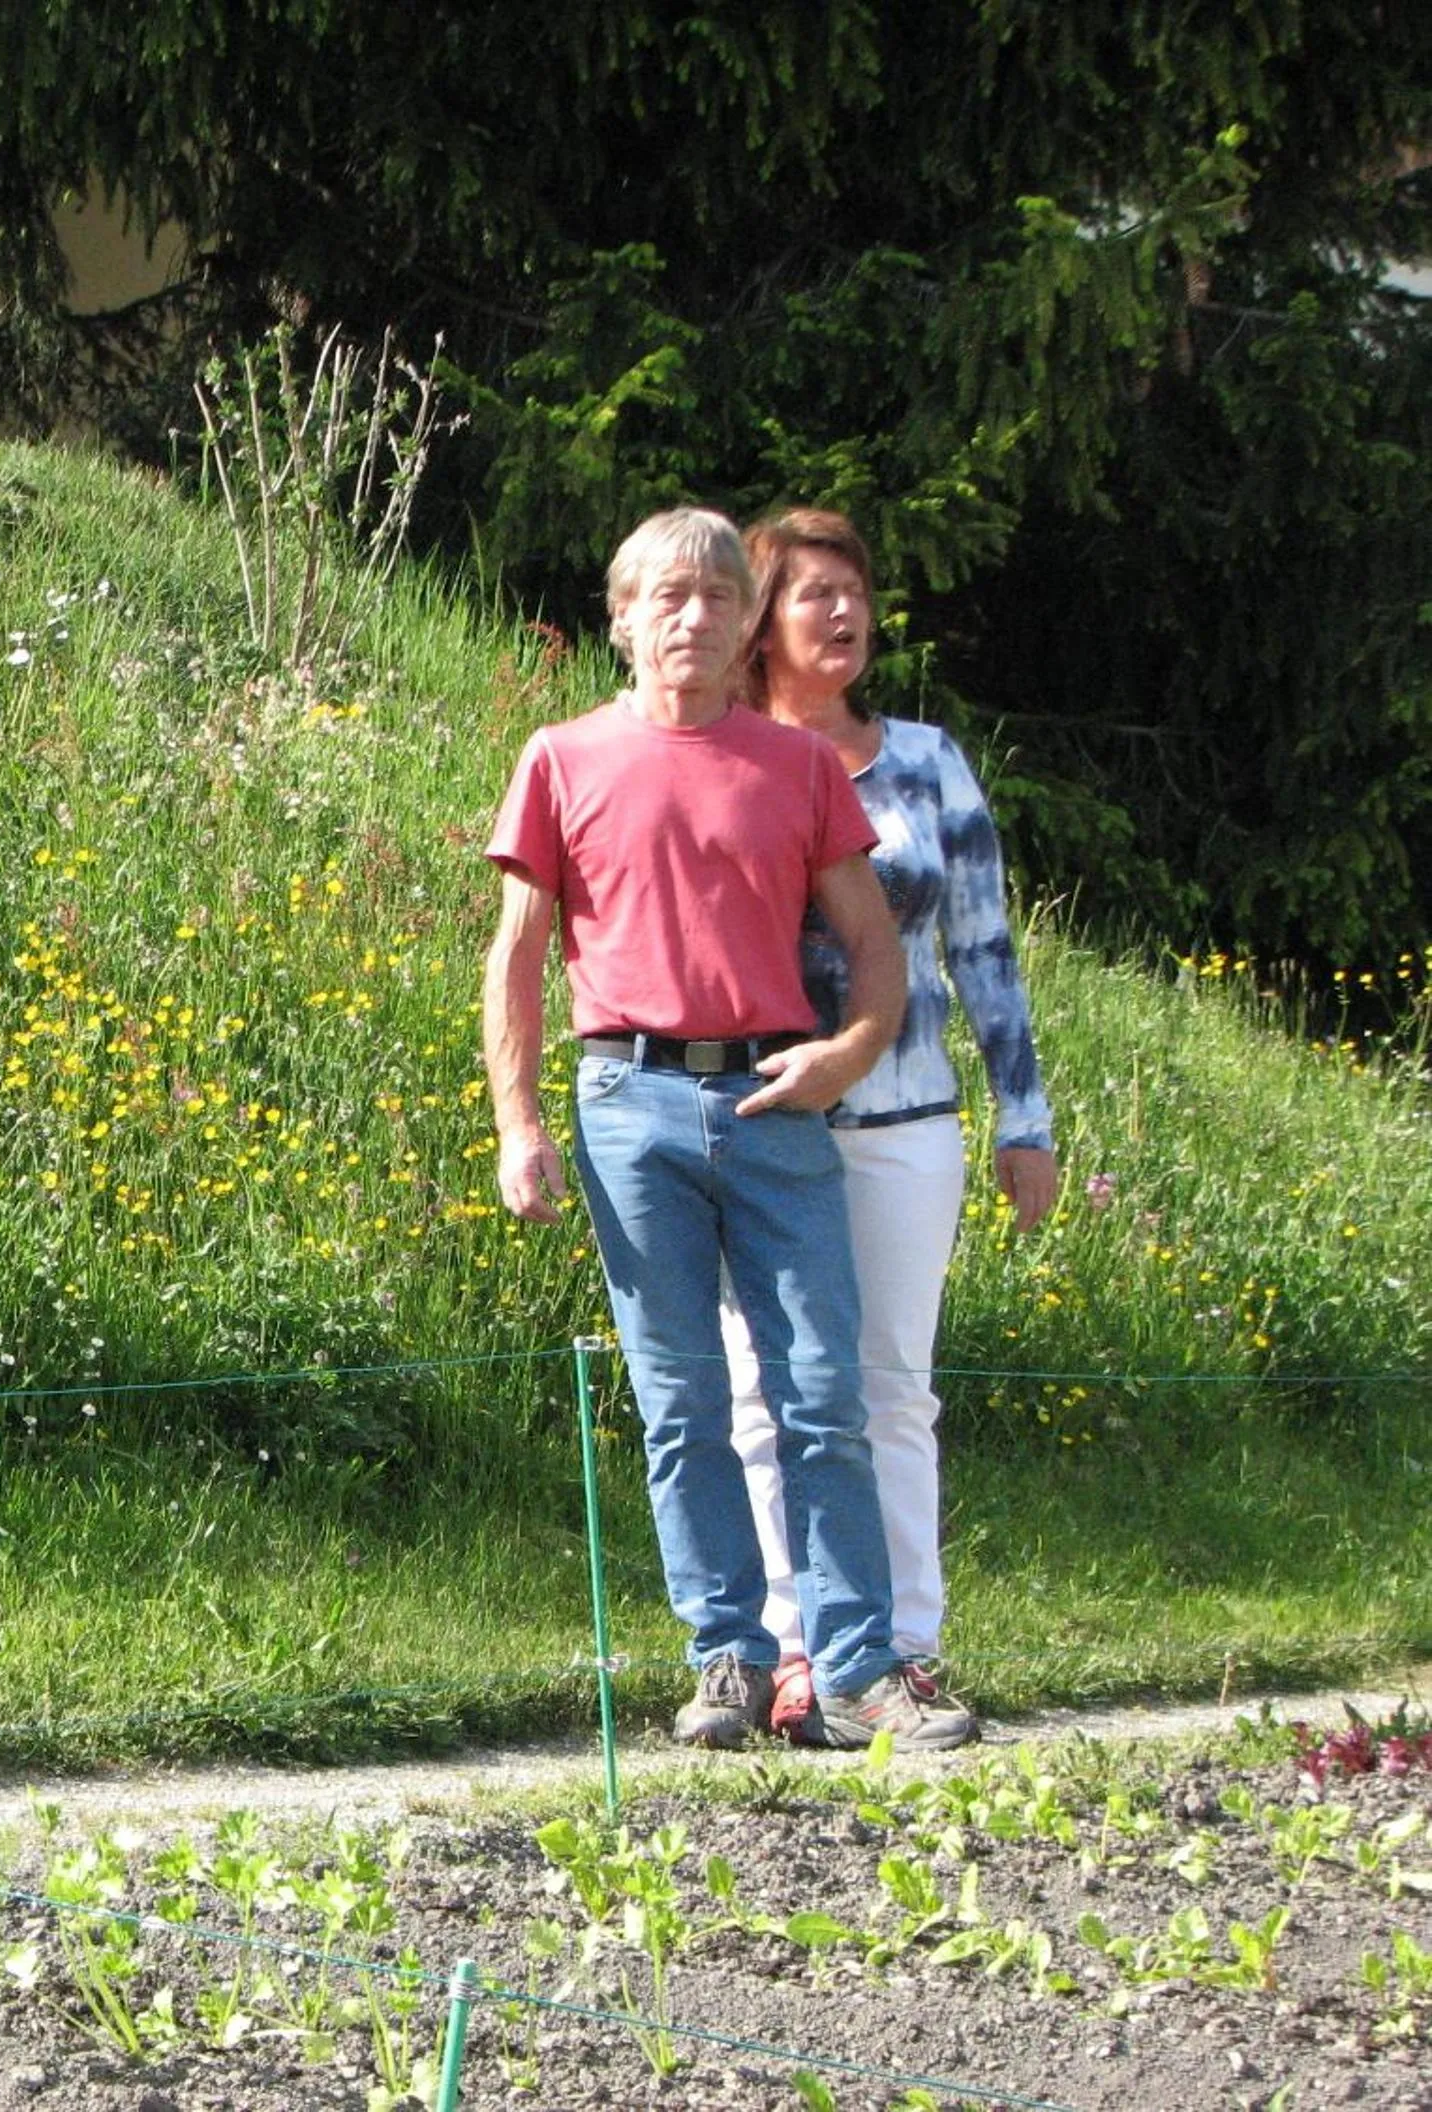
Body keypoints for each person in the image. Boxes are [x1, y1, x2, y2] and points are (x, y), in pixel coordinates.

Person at [481, 505, 975, 1751]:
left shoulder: (799, 767)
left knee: (820, 1391)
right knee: (680, 1403)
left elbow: (874, 949)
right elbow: (517, 956)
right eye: (665, 597)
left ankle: (859, 1672)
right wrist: (516, 1122)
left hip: (771, 1102)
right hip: (625, 1102)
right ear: (621, 619)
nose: (690, 617)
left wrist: (846, 1054)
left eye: (714, 596)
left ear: (744, 620)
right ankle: (727, 1663)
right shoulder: (559, 757)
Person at [722, 508, 1058, 1746]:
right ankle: (796, 1648)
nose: (841, 614)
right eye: (811, 595)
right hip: (756, 1121)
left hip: (905, 1121)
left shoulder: (924, 760)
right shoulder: (729, 756)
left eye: (852, 592)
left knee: (887, 1391)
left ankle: (903, 1649)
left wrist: (1025, 1119)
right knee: (764, 1390)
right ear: (760, 620)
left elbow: (981, 951)